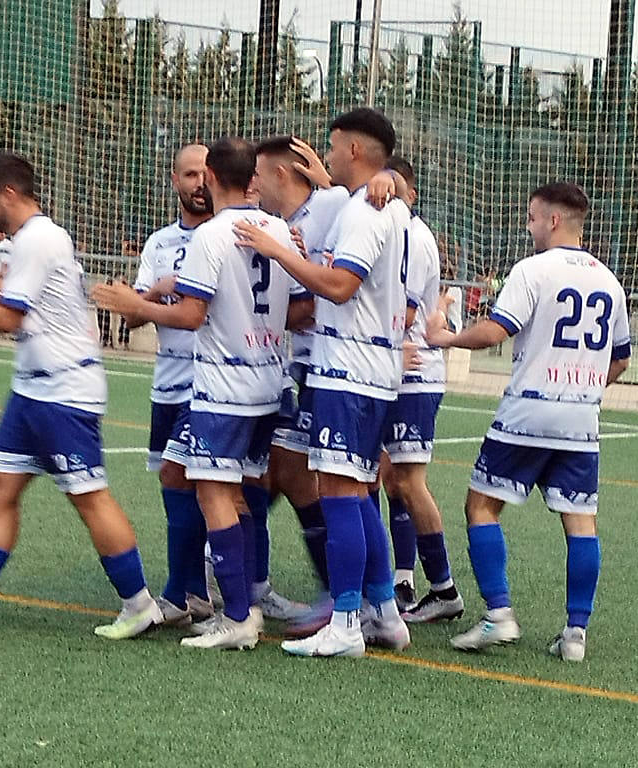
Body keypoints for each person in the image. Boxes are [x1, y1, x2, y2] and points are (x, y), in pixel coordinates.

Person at [0, 152, 162, 640]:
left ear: (9, 194)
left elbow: (7, 318)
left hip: (65, 390)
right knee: (1, 487)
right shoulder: (29, 239)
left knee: (89, 498)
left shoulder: (40, 239)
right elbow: (6, 297)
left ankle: (140, 605)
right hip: (33, 389)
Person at [94, 137, 311, 651]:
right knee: (220, 486)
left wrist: (138, 304)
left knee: (213, 491)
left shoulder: (210, 237)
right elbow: (303, 309)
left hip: (223, 388)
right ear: (252, 180)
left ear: (211, 177)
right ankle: (233, 598)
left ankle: (236, 616)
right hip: (266, 382)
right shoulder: (278, 230)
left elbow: (191, 315)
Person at [235, 108, 412, 659]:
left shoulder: (363, 210)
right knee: (355, 491)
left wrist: (279, 252)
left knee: (336, 491)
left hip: (348, 370)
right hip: (371, 369)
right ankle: (383, 612)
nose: (326, 159)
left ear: (355, 150)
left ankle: (345, 622)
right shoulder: (389, 207)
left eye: (333, 148)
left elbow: (338, 285)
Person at [430, 181, 630, 663]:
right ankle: (576, 633)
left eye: (533, 217)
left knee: (480, 506)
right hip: (581, 418)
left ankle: (499, 614)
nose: (529, 225)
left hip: (529, 410)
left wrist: (447, 339)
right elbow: (621, 360)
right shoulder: (609, 280)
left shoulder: (533, 270)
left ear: (554, 221)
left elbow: (499, 329)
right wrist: (582, 390)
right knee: (581, 522)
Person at [107, 143, 215, 626]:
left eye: (206, 174)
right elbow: (129, 320)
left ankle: (191, 591)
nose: (198, 183)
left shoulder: (228, 234)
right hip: (167, 385)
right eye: (190, 174)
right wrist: (156, 291)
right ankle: (198, 588)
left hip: (213, 383)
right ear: (174, 180)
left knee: (196, 479)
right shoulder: (158, 244)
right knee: (177, 485)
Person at [376, 156, 464, 624]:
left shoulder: (412, 235)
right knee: (390, 479)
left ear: (404, 191)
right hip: (396, 369)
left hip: (411, 373)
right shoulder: (397, 231)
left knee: (407, 481)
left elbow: (406, 315)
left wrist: (388, 351)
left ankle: (443, 586)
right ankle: (402, 577)